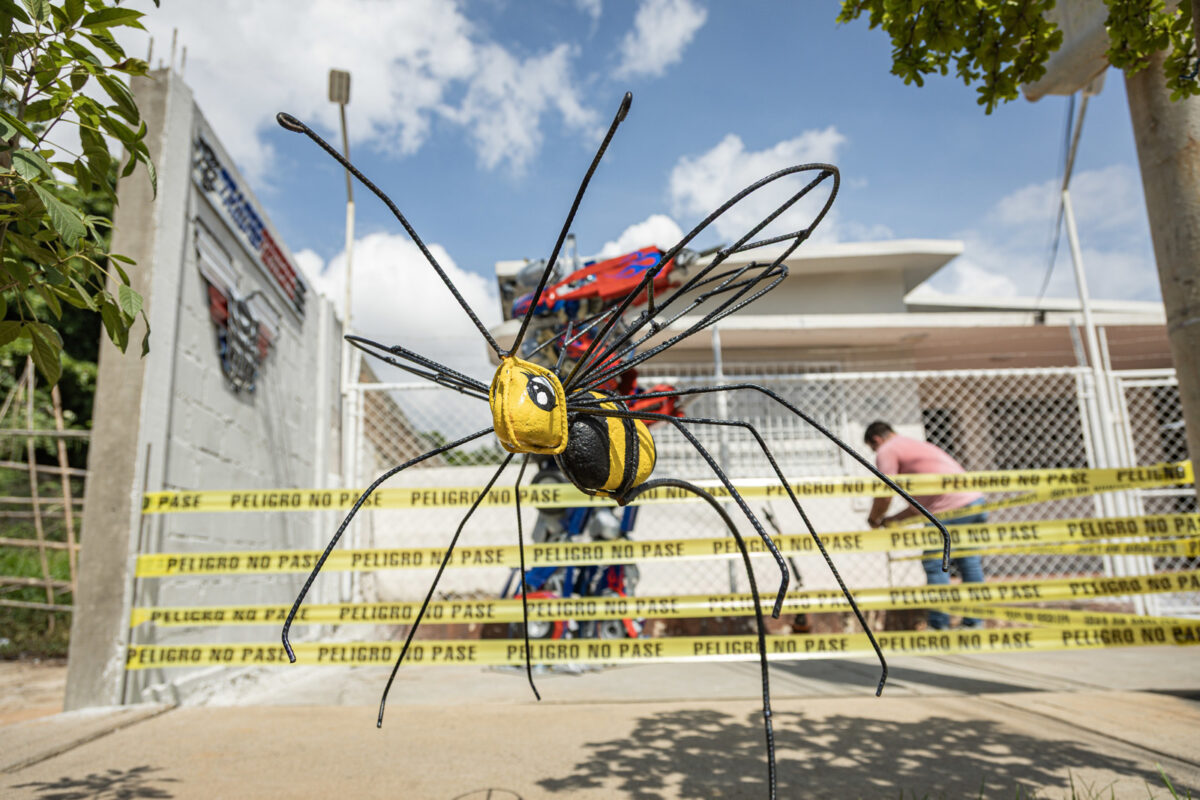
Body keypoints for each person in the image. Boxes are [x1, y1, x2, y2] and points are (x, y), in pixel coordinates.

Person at [863, 420, 986, 630]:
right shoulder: (915, 446)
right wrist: (891, 520)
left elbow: (885, 491)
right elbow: (921, 505)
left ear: (876, 439)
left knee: (935, 564)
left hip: (946, 509)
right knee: (969, 561)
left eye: (872, 447)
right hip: (973, 500)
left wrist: (874, 519)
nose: (876, 451)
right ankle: (974, 623)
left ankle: (939, 625)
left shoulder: (887, 450)